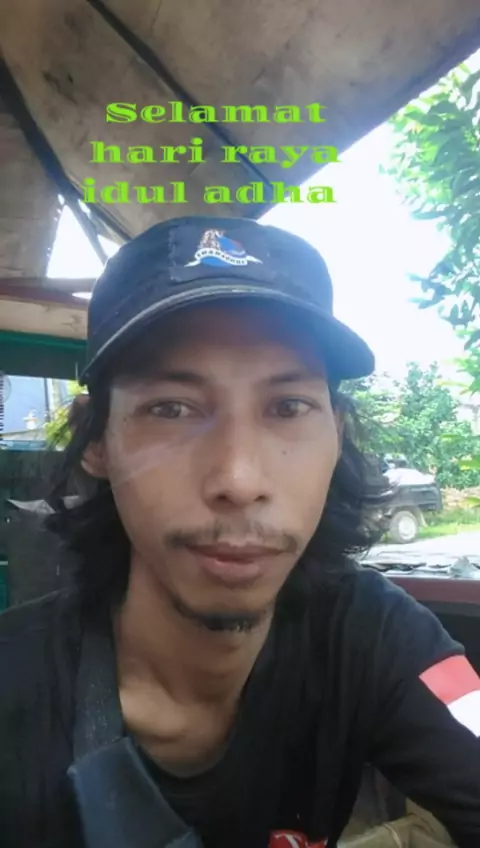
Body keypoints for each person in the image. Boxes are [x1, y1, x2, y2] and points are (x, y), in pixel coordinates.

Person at [0, 216, 479, 848]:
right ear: (97, 441)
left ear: (335, 433)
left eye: (288, 407)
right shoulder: (16, 691)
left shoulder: (375, 634)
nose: (239, 479)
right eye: (171, 408)